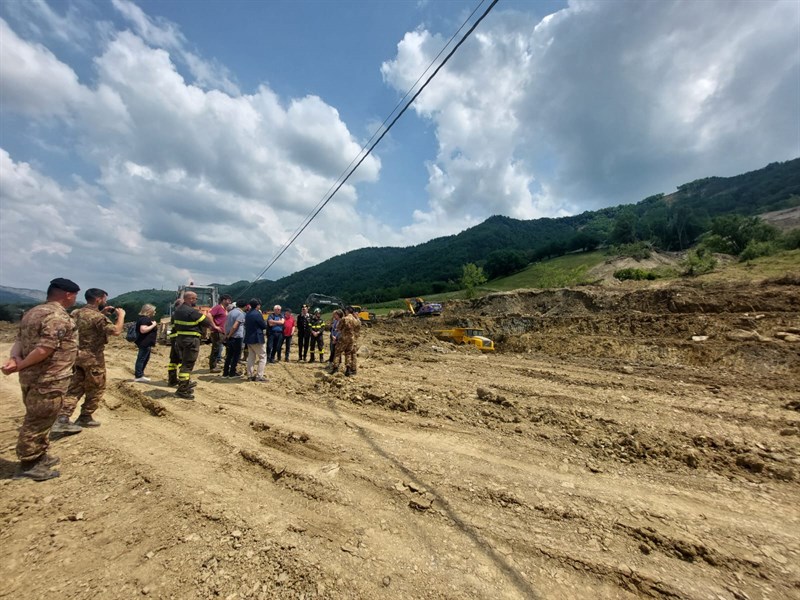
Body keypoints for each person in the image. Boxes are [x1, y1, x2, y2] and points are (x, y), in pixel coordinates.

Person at [1, 278, 81, 481]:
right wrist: (20, 364)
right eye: (75, 296)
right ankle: (30, 463)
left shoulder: (33, 312)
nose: (75, 299)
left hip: (33, 377)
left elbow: (19, 340)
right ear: (68, 295)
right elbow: (45, 349)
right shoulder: (57, 316)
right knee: (38, 419)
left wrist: (15, 358)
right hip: (49, 377)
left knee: (42, 417)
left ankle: (40, 455)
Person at [55, 287, 125, 430]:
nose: (105, 302)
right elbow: (116, 331)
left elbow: (86, 322)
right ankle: (85, 417)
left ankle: (63, 418)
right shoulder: (99, 318)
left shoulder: (76, 312)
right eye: (104, 299)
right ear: (98, 299)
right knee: (96, 388)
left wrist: (102, 313)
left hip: (76, 356)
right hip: (93, 358)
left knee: (74, 388)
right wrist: (121, 316)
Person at [172, 291, 222, 399]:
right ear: (190, 299)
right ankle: (182, 390)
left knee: (184, 362)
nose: (196, 300)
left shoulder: (178, 311)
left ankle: (184, 384)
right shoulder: (191, 311)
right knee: (188, 365)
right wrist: (213, 325)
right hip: (191, 340)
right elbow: (206, 321)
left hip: (180, 338)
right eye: (195, 299)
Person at [244, 298, 267, 382]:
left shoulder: (248, 314)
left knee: (251, 357)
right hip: (257, 338)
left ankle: (249, 375)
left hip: (249, 337)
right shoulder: (257, 314)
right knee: (262, 357)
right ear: (258, 305)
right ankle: (259, 376)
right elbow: (263, 325)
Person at [133, 303, 158, 382]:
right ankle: (139, 375)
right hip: (144, 342)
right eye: (153, 310)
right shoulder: (145, 319)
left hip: (145, 342)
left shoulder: (143, 319)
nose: (155, 312)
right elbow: (143, 330)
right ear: (149, 311)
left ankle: (140, 374)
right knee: (142, 358)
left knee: (144, 358)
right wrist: (153, 325)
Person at [222, 298, 247, 378]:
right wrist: (229, 335)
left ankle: (225, 372)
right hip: (237, 336)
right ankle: (232, 373)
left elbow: (226, 324)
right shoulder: (241, 314)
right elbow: (235, 326)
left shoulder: (230, 312)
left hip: (229, 335)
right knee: (236, 355)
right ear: (245, 306)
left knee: (229, 355)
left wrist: (226, 335)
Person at [335, 306, 361, 376]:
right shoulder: (355, 320)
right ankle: (348, 370)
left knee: (337, 352)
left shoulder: (344, 319)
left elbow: (338, 328)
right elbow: (358, 327)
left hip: (344, 338)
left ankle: (335, 368)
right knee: (348, 353)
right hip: (352, 339)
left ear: (347, 311)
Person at [208, 294, 232, 372]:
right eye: (228, 300)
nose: (230, 302)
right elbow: (209, 315)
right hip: (217, 332)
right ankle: (213, 367)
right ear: (223, 300)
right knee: (216, 349)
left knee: (229, 347)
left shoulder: (224, 309)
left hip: (223, 332)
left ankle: (227, 363)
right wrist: (214, 326)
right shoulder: (218, 307)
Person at [166, 297, 184, 386]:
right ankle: (184, 381)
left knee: (173, 360)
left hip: (174, 339)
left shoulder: (174, 314)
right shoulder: (179, 314)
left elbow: (171, 328)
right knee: (181, 359)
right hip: (178, 339)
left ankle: (172, 380)